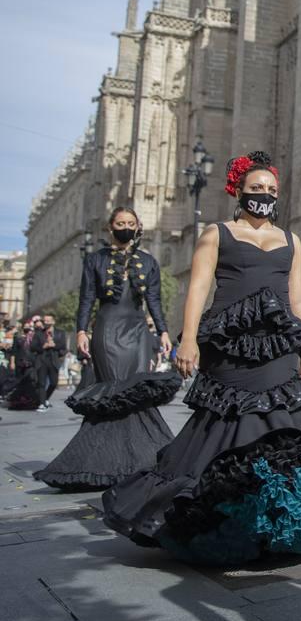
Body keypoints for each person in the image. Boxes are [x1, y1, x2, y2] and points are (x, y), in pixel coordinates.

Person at [102, 151, 301, 564]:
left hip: (278, 344)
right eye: (256, 189)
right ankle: (221, 512)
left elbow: (297, 296)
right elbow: (197, 290)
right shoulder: (217, 233)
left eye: (271, 190)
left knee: (285, 420)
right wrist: (187, 339)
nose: (264, 195)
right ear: (239, 191)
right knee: (224, 422)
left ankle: (277, 518)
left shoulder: (290, 240)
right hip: (229, 344)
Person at [33, 209, 180, 490]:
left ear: (138, 228)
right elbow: (86, 298)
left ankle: (141, 459)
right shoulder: (95, 259)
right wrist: (80, 331)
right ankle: (106, 462)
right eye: (120, 223)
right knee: (114, 390)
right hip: (107, 330)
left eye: (131, 223)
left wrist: (162, 332)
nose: (126, 227)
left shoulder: (148, 262)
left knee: (137, 392)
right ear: (109, 227)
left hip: (138, 333)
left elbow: (154, 301)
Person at [32, 314, 68, 410]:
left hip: (54, 360)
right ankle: (42, 404)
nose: (46, 322)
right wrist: (43, 346)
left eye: (48, 320)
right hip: (42, 360)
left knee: (54, 383)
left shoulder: (60, 333)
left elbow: (63, 347)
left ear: (53, 321)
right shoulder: (39, 333)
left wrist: (53, 346)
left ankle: (45, 398)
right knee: (42, 383)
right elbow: (33, 347)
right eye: (45, 321)